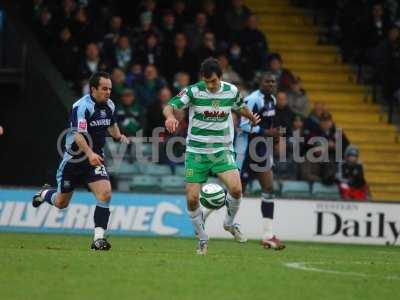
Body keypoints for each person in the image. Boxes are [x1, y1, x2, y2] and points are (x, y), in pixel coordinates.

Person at [163, 58, 260, 255]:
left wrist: (250, 116)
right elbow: (170, 105)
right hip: (196, 152)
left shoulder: (231, 91)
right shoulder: (193, 91)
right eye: (207, 81)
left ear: (220, 77)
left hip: (221, 150)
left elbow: (240, 105)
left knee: (236, 189)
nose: (210, 85)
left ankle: (229, 223)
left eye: (214, 81)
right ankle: (202, 238)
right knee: (191, 199)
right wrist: (171, 117)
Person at [32, 72, 129, 251]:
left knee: (105, 194)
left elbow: (112, 125)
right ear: (93, 89)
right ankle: (45, 193)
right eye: (104, 89)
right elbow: (78, 134)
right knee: (61, 203)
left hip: (95, 161)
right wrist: (89, 153)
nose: (108, 92)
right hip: (74, 162)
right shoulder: (81, 106)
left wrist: (119, 136)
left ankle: (98, 240)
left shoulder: (110, 105)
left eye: (110, 89)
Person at [235, 72, 285, 250]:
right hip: (247, 151)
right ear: (260, 82)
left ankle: (268, 235)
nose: (271, 84)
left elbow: (269, 124)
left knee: (269, 188)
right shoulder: (251, 99)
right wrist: (267, 133)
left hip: (262, 150)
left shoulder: (272, 99)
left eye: (273, 81)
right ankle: (205, 215)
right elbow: (243, 124)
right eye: (267, 81)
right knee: (237, 193)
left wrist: (275, 137)